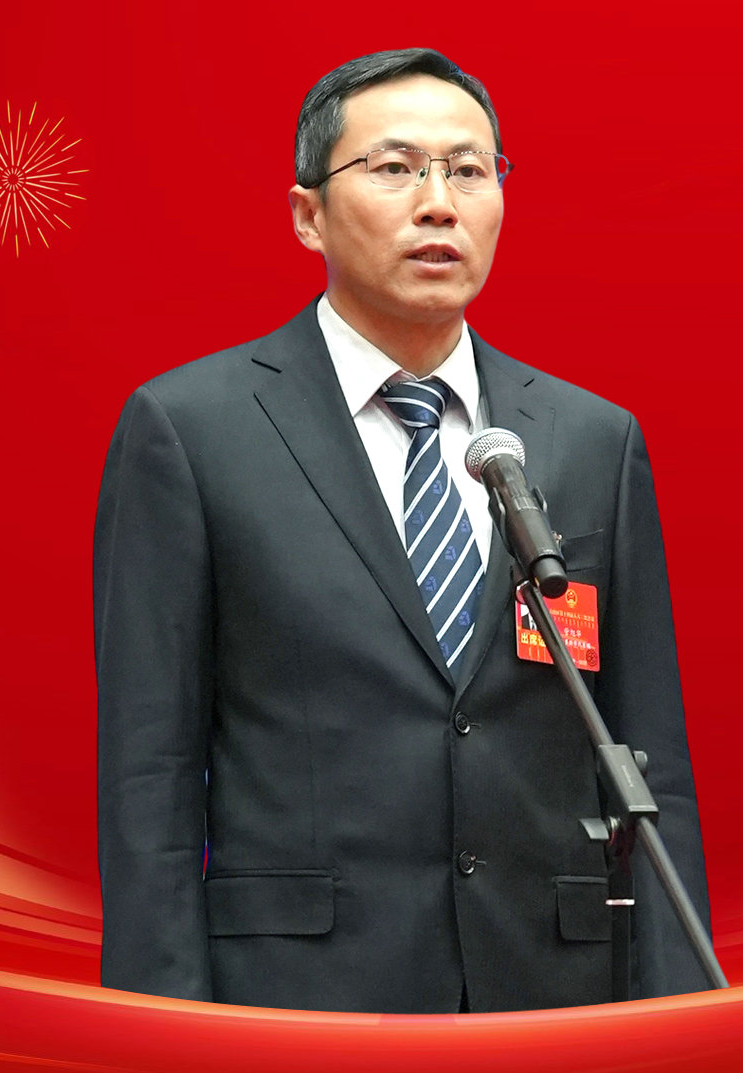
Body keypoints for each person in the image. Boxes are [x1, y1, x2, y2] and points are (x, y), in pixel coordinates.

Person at [94, 47, 711, 1013]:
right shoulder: (192, 429)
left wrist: (680, 1020)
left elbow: (650, 760)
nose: (439, 204)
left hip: (552, 996)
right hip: (297, 999)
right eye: (395, 168)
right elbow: (151, 775)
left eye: (469, 170)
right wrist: (159, 1027)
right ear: (307, 214)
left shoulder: (591, 439)